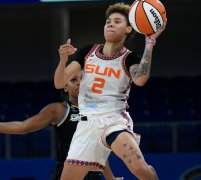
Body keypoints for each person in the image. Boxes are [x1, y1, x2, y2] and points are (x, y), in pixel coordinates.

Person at [53, 2, 166, 180]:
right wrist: (62, 60)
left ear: (129, 28)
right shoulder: (87, 51)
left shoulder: (130, 58)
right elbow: (59, 83)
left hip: (113, 121)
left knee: (141, 170)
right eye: (108, 21)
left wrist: (150, 42)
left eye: (117, 21)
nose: (110, 24)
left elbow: (140, 79)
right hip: (86, 124)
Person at [0, 71, 122, 180]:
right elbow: (23, 127)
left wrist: (111, 179)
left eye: (82, 79)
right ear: (65, 87)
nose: (79, 83)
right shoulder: (58, 110)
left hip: (94, 173)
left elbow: (100, 153)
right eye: (73, 80)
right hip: (66, 172)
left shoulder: (99, 112)